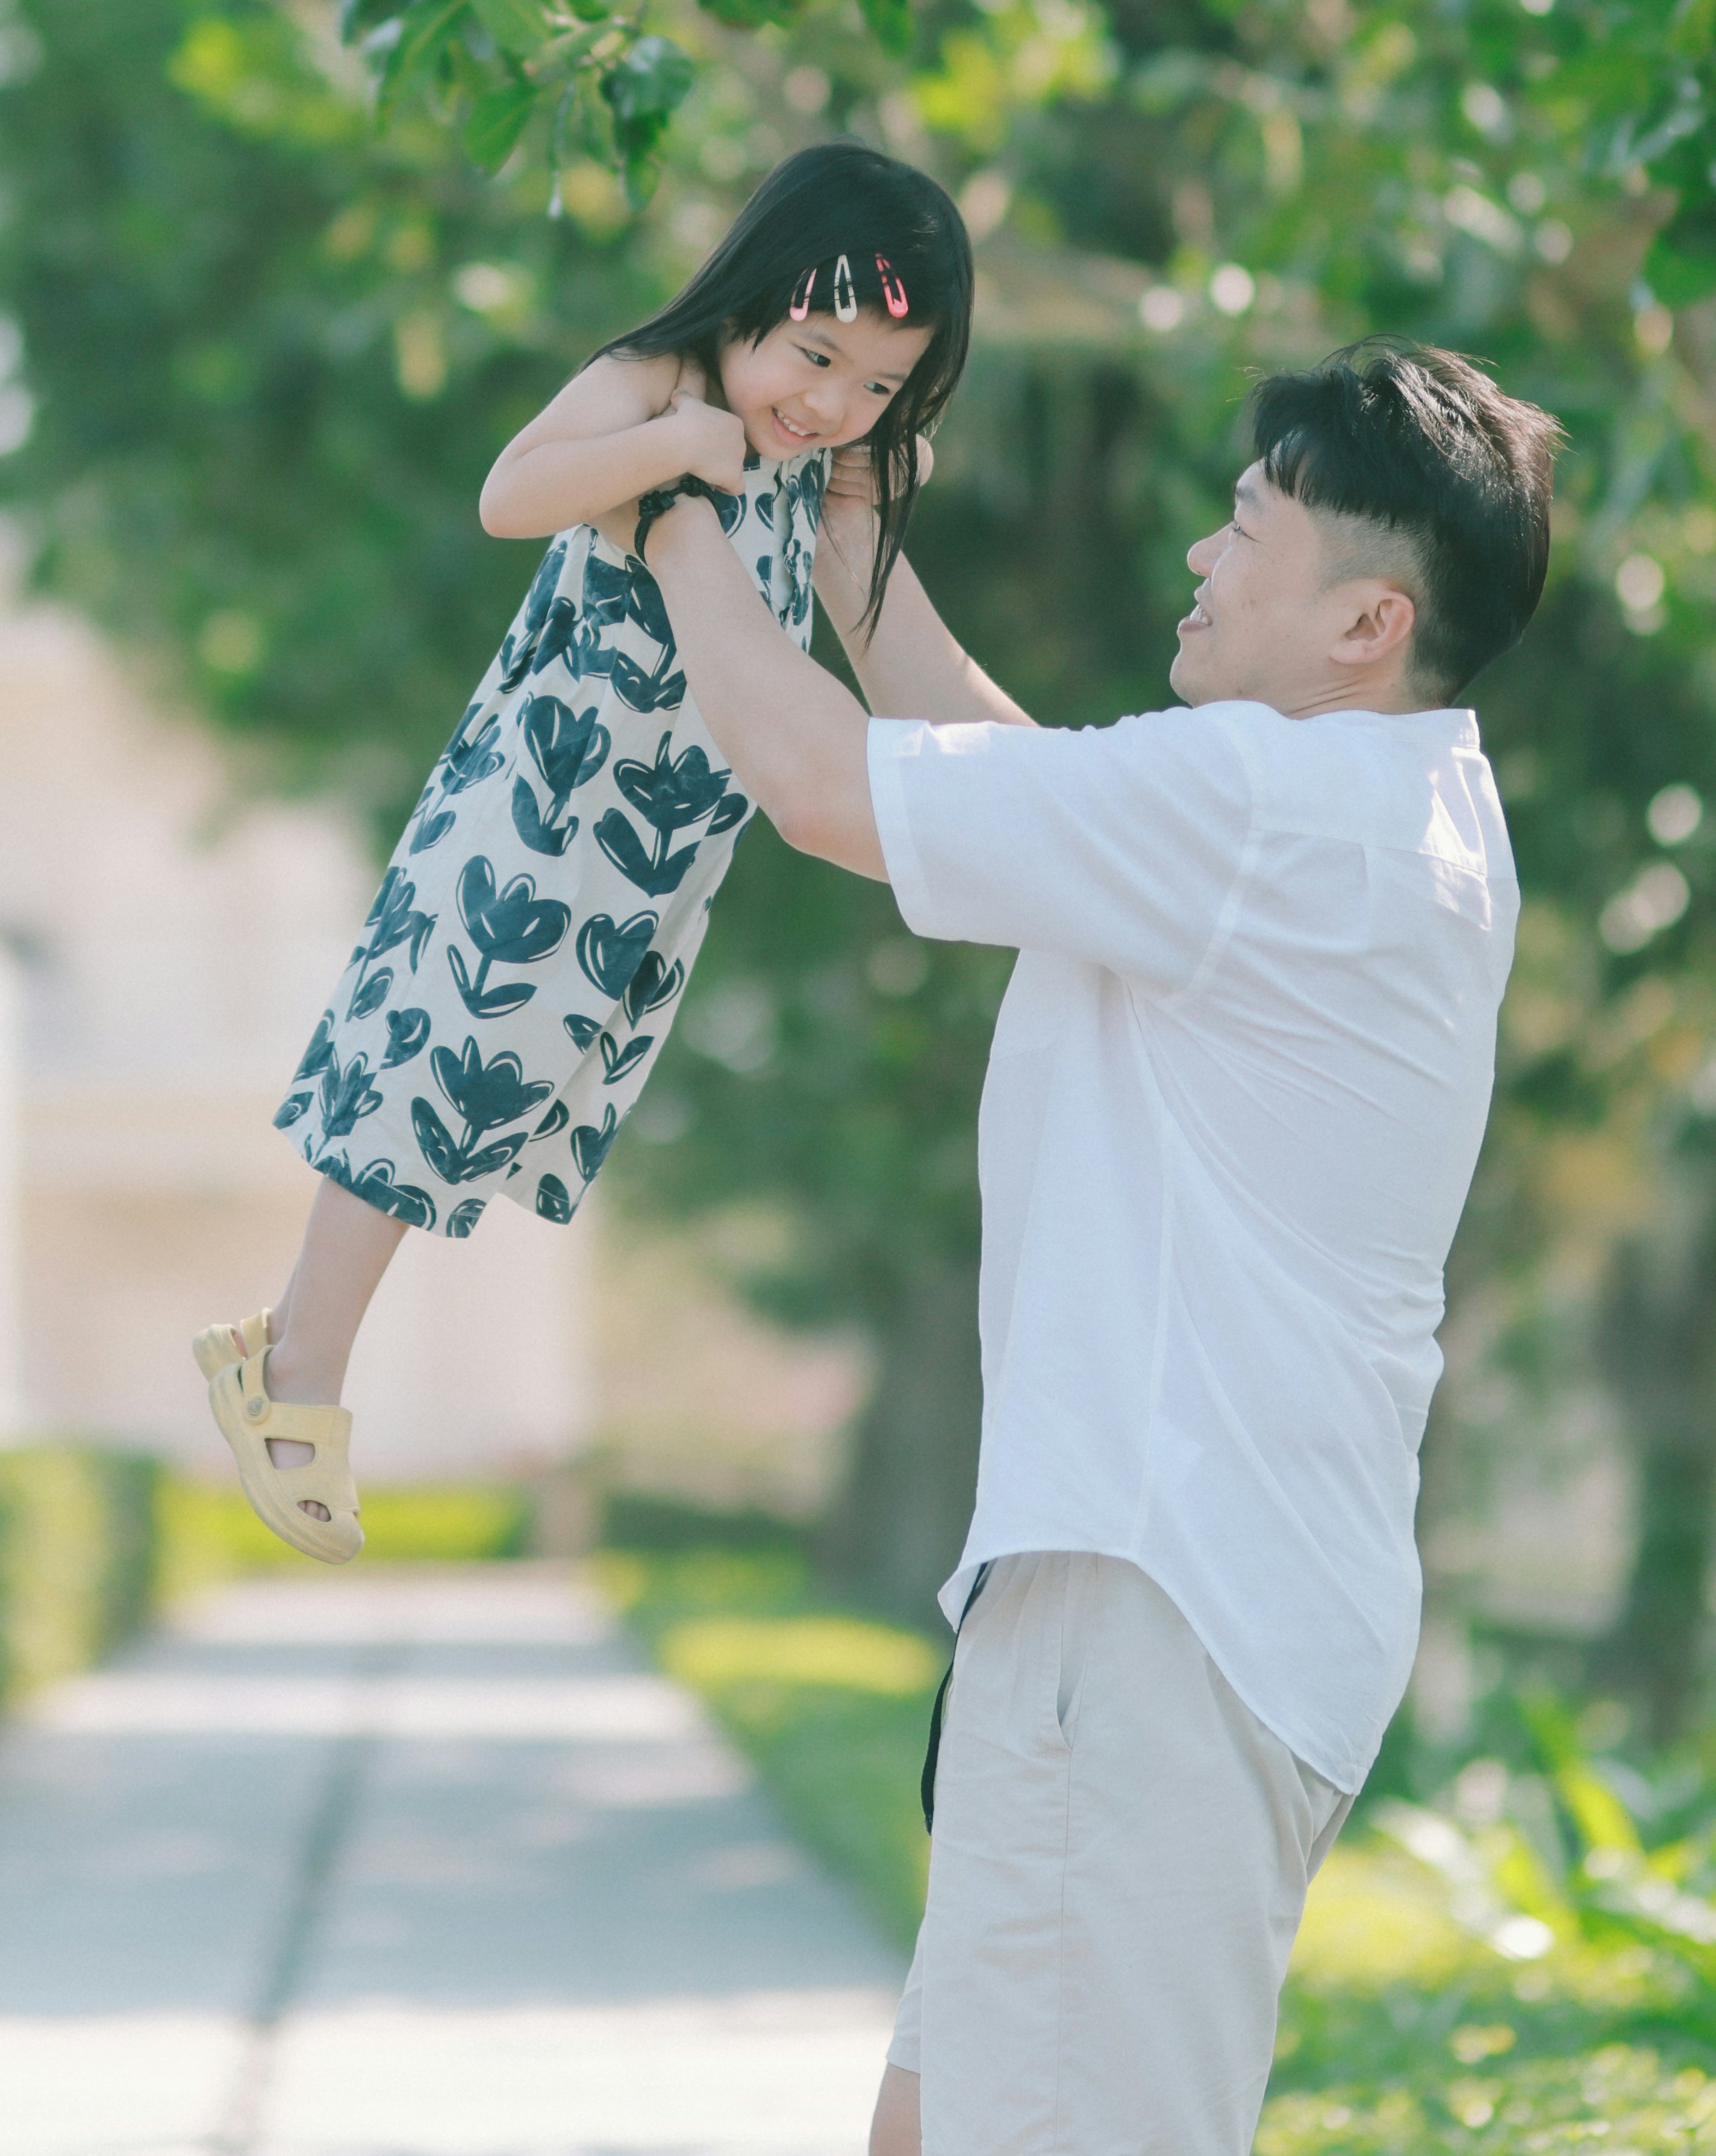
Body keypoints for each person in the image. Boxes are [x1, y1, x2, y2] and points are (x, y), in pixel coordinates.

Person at [644, 340, 1561, 2156]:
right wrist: (849, 549)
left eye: (1247, 528)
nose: (1202, 561)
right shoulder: (1400, 807)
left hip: (1152, 1598)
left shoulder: (1261, 806)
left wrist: (663, 514)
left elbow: (829, 785)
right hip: (1191, 1598)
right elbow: (1012, 784)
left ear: (1365, 621)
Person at [195, 142, 979, 1559]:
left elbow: (881, 640)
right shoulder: (662, 387)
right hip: (534, 810)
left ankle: (285, 1337)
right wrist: (674, 451)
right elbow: (510, 493)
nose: (829, 402)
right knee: (428, 1069)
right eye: (811, 356)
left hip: (650, 853)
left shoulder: (820, 474)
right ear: (743, 301)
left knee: (496, 1099)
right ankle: (295, 1370)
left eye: (873, 384)